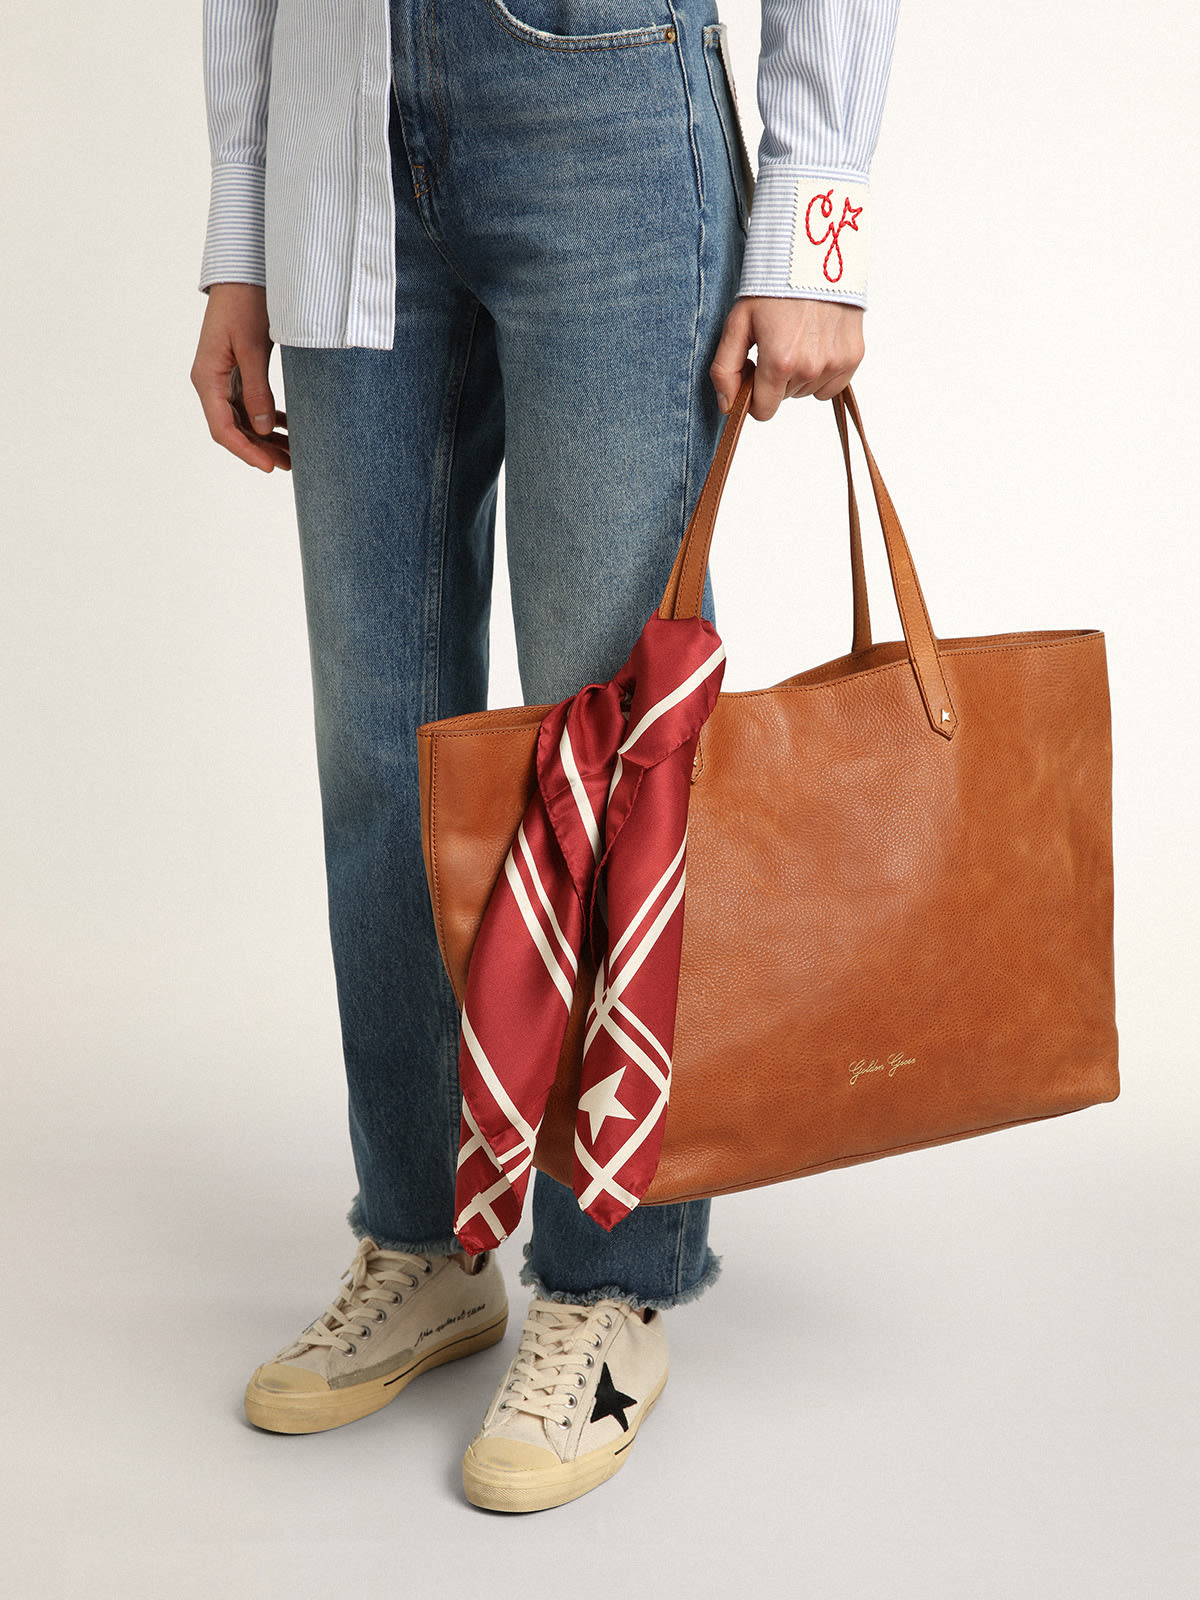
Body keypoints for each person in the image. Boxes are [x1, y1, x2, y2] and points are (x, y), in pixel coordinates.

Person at [190, 0, 899, 1513]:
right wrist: (236, 234)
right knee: (383, 748)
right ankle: (426, 1236)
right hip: (338, 110)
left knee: (621, 750)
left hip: (603, 98)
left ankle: (610, 1274)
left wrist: (816, 227)